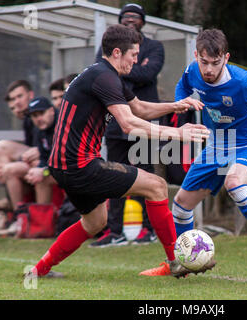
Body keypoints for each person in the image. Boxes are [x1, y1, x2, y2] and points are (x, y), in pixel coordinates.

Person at [26, 24, 212, 279]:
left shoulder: (103, 75)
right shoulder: (105, 77)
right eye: (133, 55)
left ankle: (38, 271)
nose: (136, 61)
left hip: (63, 166)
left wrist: (176, 106)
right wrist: (179, 133)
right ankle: (175, 261)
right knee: (157, 185)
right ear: (116, 52)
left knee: (95, 222)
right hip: (80, 165)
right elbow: (129, 123)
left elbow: (139, 108)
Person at [139, 29, 247, 275]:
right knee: (180, 205)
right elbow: (183, 87)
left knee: (234, 182)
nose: (209, 69)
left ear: (226, 58)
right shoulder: (192, 71)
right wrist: (183, 104)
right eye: (204, 62)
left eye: (215, 63)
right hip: (217, 145)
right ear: (196, 56)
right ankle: (183, 263)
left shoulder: (243, 82)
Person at [90, 3, 165, 247]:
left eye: (136, 17)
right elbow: (101, 73)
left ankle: (147, 229)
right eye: (126, 16)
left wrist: (121, 69)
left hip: (142, 122)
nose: (130, 20)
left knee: (145, 175)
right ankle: (114, 231)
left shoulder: (155, 47)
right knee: (114, 175)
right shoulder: (107, 49)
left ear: (143, 21)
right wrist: (129, 69)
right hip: (114, 122)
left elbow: (148, 75)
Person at [0, 80, 39, 211]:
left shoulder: (41, 113)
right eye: (13, 100)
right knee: (4, 162)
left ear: (31, 95)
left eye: (20, 96)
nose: (17, 103)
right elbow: (30, 150)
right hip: (35, 162)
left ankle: (14, 209)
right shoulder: (27, 120)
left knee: (1, 147)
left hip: (47, 161)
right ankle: (14, 207)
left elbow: (45, 146)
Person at [23, 97, 58, 204]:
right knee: (35, 175)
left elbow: (66, 162)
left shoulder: (62, 127)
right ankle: (34, 217)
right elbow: (43, 157)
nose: (38, 119)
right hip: (56, 170)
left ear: (51, 111)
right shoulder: (39, 130)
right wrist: (37, 170)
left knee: (41, 178)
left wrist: (44, 171)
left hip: (77, 172)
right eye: (34, 116)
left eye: (42, 113)